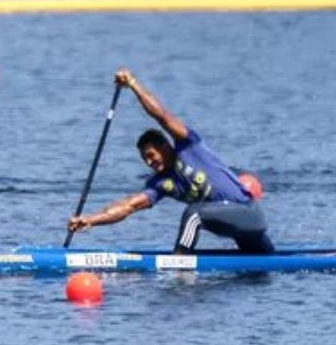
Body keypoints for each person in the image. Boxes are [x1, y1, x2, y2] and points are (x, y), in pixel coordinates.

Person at [68, 69, 275, 255]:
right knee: (264, 264)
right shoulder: (161, 183)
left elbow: (162, 116)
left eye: (151, 155)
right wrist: (90, 220)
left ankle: (179, 261)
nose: (149, 162)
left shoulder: (188, 146)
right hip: (232, 226)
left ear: (165, 147)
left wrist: (133, 84)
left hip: (249, 212)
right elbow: (128, 206)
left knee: (193, 214)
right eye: (144, 159)